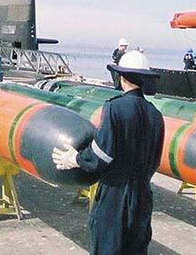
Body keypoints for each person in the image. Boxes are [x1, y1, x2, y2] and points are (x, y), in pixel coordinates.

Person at [52, 50, 164, 254]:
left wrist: (75, 158)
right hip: (142, 198)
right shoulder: (156, 115)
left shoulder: (115, 108)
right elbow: (155, 161)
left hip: (115, 198)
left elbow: (101, 155)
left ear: (122, 78)